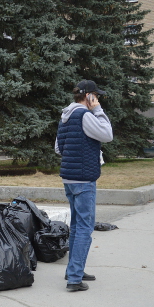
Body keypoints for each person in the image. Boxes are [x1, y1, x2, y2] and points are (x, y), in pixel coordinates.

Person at [55, 80, 113, 292]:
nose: (97, 100)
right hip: (83, 180)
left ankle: (74, 269)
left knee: (77, 225)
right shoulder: (86, 115)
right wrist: (98, 109)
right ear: (89, 96)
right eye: (96, 96)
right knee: (84, 227)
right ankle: (74, 278)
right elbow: (107, 135)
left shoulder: (65, 116)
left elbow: (58, 148)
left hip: (69, 179)